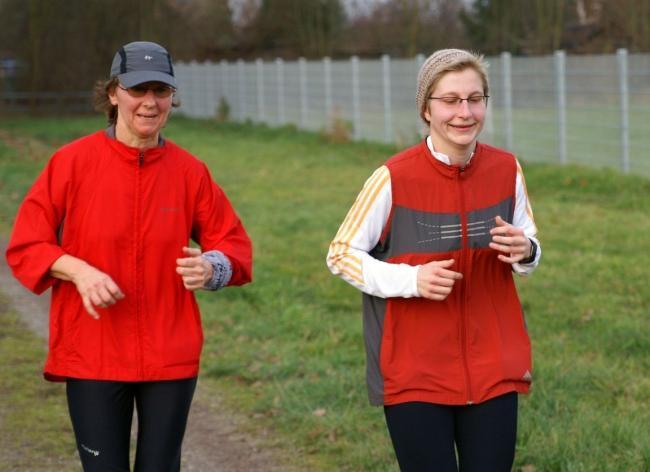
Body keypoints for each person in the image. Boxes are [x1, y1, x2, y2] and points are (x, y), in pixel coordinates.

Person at [6, 41, 253, 471]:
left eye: (161, 91)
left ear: (172, 97)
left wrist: (212, 267)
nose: (150, 103)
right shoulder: (71, 164)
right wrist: (79, 271)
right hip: (93, 352)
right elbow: (26, 244)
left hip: (169, 354)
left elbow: (235, 247)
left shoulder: (190, 172)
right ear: (114, 93)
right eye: (138, 90)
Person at [326, 48, 541, 471]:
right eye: (450, 100)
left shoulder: (506, 169)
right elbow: (341, 254)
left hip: (494, 367)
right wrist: (411, 280)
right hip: (415, 374)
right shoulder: (393, 176)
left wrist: (526, 250)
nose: (464, 112)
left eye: (474, 99)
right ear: (427, 109)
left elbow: (529, 242)